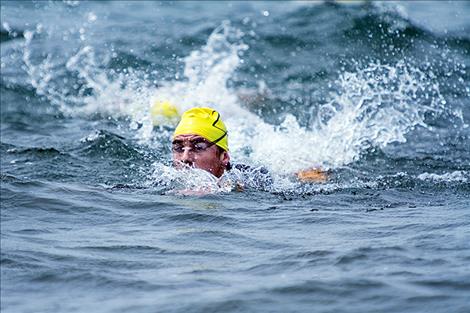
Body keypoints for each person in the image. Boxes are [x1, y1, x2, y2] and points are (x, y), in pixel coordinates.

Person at [171, 107, 327, 189]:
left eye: (198, 147)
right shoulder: (164, 181)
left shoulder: (249, 180)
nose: (185, 158)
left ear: (223, 157)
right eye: (179, 148)